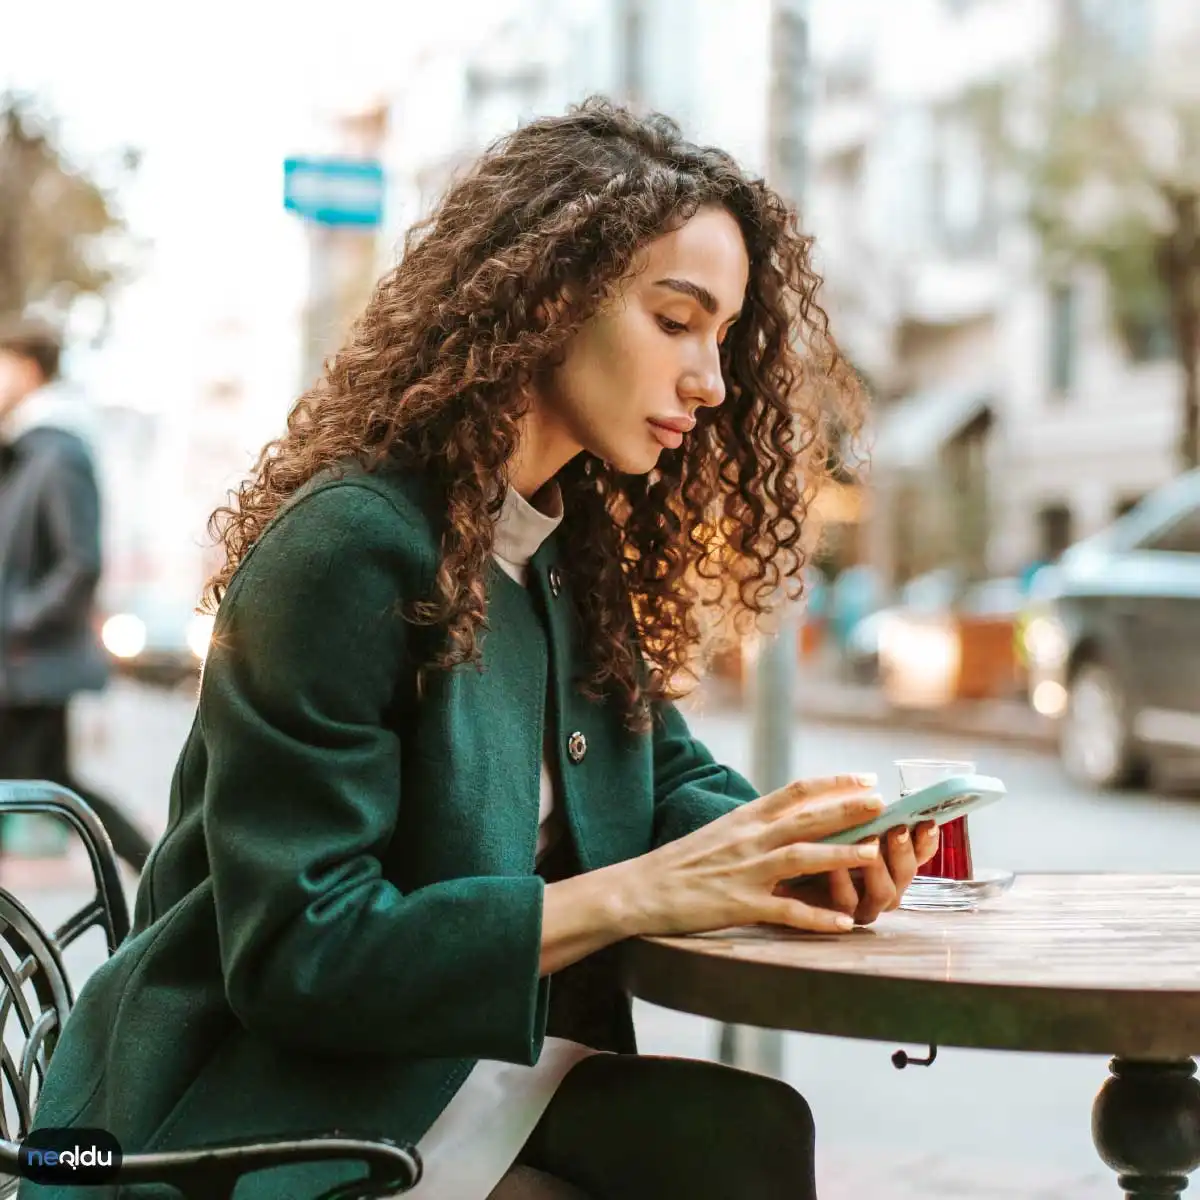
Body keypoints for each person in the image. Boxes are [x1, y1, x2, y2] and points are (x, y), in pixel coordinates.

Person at [24, 100, 939, 1200]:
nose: (713, 381)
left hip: (444, 1077)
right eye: (676, 320)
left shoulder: (561, 544)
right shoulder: (348, 549)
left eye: (723, 337)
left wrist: (800, 851)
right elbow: (299, 957)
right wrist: (641, 894)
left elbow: (664, 780)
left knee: (745, 1134)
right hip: (254, 1112)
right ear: (551, 298)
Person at [0, 320, 152, 875]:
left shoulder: (57, 454)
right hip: (20, 666)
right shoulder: (23, 451)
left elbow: (79, 563)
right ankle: (166, 875)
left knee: (58, 789)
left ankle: (165, 873)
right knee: (56, 787)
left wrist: (15, 620)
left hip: (32, 664)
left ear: (28, 369)